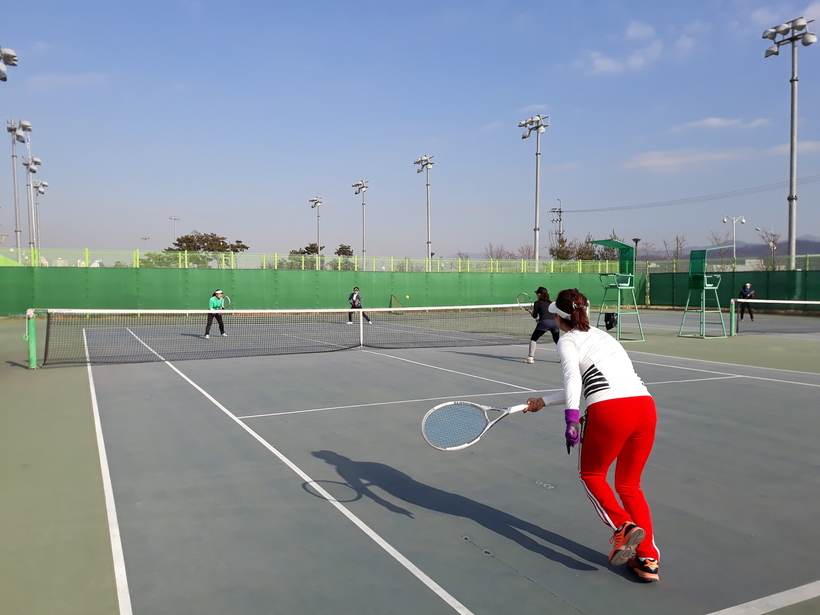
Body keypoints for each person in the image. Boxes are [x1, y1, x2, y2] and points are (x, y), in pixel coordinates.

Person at [523, 288, 660, 582]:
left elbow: (574, 380)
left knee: (592, 475)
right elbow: (594, 383)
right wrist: (543, 402)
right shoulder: (604, 337)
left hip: (611, 412)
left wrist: (572, 417)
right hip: (645, 408)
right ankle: (647, 559)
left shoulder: (568, 341)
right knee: (629, 485)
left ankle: (623, 526)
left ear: (558, 317)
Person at [524, 286, 560, 364]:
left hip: (544, 323)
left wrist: (532, 314)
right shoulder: (552, 303)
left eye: (537, 293)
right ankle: (563, 358)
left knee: (534, 339)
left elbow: (535, 316)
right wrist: (541, 320)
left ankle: (530, 357)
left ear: (539, 294)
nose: (536, 295)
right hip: (555, 323)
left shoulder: (537, 303)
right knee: (558, 341)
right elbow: (551, 314)